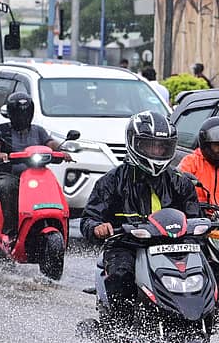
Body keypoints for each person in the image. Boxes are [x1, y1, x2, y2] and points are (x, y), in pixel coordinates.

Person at [80, 111, 199, 323]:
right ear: (134, 144)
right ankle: (119, 330)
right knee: (121, 275)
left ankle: (201, 323)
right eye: (150, 146)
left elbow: (194, 217)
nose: (157, 151)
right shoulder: (112, 181)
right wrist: (97, 227)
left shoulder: (181, 182)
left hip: (174, 248)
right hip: (127, 247)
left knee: (207, 271)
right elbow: (88, 219)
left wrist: (204, 227)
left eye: (162, 146)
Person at [0, 92, 72, 246]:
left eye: (26, 112)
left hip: (35, 175)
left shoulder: (38, 130)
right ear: (11, 113)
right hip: (8, 174)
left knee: (53, 187)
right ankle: (11, 230)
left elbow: (50, 143)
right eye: (19, 112)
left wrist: (60, 151)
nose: (23, 116)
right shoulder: (2, 129)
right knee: (8, 188)